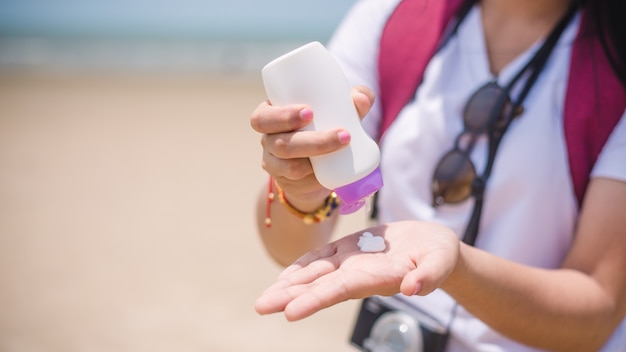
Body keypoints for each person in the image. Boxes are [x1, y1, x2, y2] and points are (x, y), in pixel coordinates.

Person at [249, 0, 626, 350]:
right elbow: (290, 249)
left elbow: (597, 311)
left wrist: (459, 268)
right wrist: (302, 192)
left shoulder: (612, 60)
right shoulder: (393, 14)